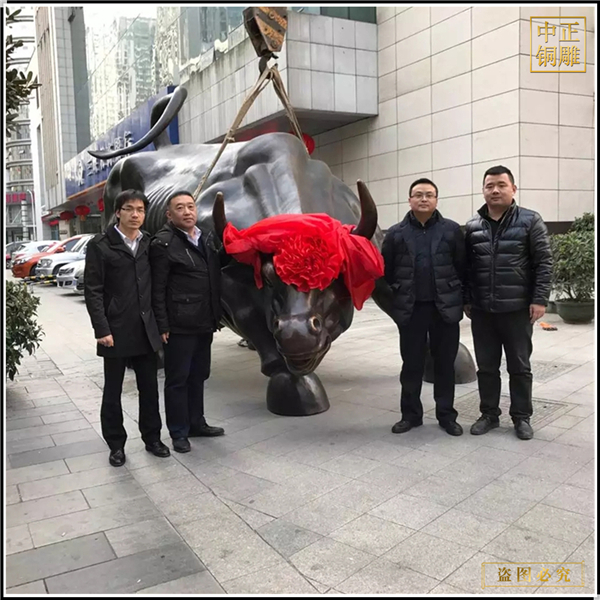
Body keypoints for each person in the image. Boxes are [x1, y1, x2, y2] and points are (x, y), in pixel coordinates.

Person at [464, 165, 552, 440]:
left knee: (519, 367)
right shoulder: (473, 226)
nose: (495, 190)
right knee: (486, 367)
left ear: (513, 189)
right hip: (483, 311)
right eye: (489, 186)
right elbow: (467, 269)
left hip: (517, 310)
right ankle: (489, 414)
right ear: (483, 190)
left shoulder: (530, 220)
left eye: (501, 185)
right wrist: (468, 300)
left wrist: (539, 299)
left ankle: (521, 417)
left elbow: (544, 263)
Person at [84, 189, 170, 467]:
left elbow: (157, 289)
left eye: (140, 210)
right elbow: (93, 290)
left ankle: (152, 438)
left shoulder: (149, 243)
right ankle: (116, 445)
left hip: (146, 328)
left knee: (149, 389)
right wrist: (101, 329)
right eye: (129, 209)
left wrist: (161, 325)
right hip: (115, 330)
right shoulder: (101, 245)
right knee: (113, 391)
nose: (135, 215)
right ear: (117, 212)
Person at [382, 178, 466, 436]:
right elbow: (386, 272)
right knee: (411, 365)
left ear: (436, 200)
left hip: (444, 309)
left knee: (445, 364)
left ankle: (446, 416)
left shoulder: (452, 230)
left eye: (429, 194)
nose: (424, 199)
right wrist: (397, 299)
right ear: (409, 200)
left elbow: (463, 268)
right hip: (411, 310)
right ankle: (410, 415)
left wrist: (462, 299)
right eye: (418, 194)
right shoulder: (395, 234)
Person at [149, 190, 224, 453]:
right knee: (177, 380)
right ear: (169, 215)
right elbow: (157, 289)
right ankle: (178, 431)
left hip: (204, 321)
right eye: (179, 208)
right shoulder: (163, 244)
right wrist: (162, 325)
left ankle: (196, 423)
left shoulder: (205, 238)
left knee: (199, 375)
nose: (187, 212)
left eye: (190, 206)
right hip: (178, 325)